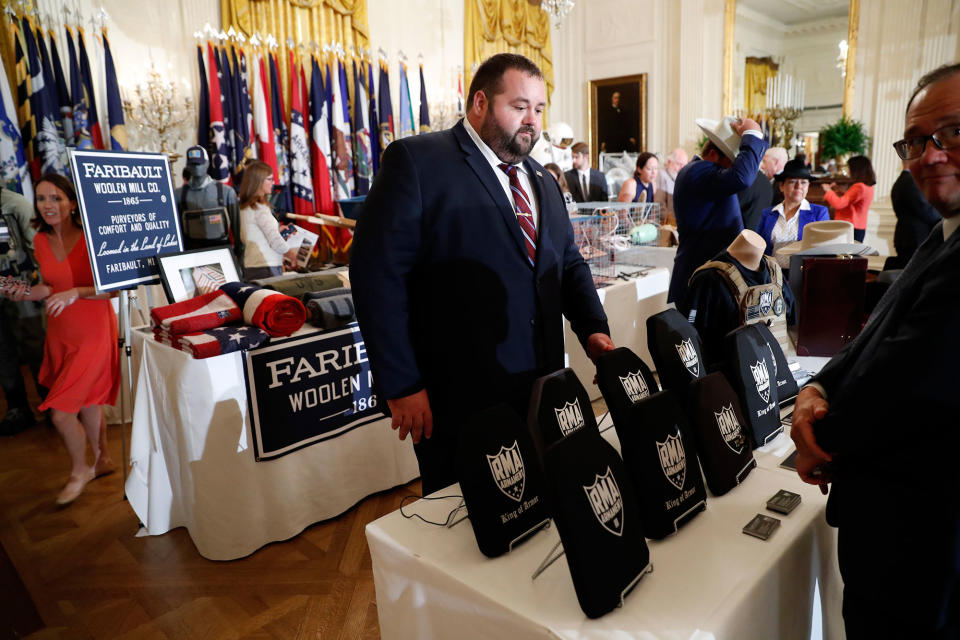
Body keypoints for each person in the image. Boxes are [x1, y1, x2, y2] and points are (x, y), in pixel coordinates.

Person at [350, 53, 614, 494]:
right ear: (479, 103)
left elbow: (566, 262)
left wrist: (593, 329)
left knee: (541, 503)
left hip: (540, 384)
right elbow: (377, 275)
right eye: (519, 106)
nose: (531, 120)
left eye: (539, 109)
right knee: (467, 530)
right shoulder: (417, 162)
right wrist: (401, 383)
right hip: (456, 396)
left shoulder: (543, 181)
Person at [791, 63, 960, 636]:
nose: (930, 155)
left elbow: (909, 384)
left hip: (923, 540)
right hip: (894, 533)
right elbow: (875, 333)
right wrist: (818, 386)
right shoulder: (943, 236)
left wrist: (817, 443)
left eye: (953, 132)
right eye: (915, 141)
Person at [1, 174, 119, 505]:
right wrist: (18, 291)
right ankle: (101, 460)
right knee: (88, 401)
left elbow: (115, 288)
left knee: (61, 413)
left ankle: (80, 470)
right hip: (61, 331)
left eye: (55, 198)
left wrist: (76, 293)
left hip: (94, 330)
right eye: (41, 198)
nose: (48, 205)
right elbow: (49, 288)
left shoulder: (93, 235)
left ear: (71, 201)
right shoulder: (39, 240)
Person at [668, 116, 767, 306]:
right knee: (694, 337)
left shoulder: (701, 174)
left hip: (711, 278)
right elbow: (742, 178)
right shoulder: (696, 171)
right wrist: (752, 133)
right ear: (713, 154)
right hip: (700, 278)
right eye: (731, 163)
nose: (731, 171)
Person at [682, 229, 794, 368]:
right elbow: (689, 339)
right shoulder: (708, 278)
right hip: (730, 382)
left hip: (772, 377)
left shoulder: (775, 272)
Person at [0, 187, 45, 435]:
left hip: (21, 286)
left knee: (34, 344)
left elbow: (37, 246)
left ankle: (49, 402)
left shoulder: (14, 203)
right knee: (2, 350)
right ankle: (17, 407)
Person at [755, 157, 830, 266]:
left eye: (804, 182)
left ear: (808, 186)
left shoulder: (819, 213)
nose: (798, 186)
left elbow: (822, 250)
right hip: (771, 275)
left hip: (804, 274)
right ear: (781, 186)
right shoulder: (767, 214)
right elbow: (758, 248)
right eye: (792, 182)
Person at [237, 160, 298, 280]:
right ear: (258, 182)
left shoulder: (246, 206)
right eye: (269, 179)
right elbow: (275, 240)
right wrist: (292, 255)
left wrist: (277, 229)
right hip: (265, 268)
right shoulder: (260, 208)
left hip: (252, 266)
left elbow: (245, 237)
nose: (273, 183)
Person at [889, 168, 939, 268]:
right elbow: (925, 210)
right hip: (914, 237)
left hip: (908, 237)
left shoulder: (902, 179)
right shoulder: (910, 180)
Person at [823, 155, 875, 242]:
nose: (849, 171)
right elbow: (852, 201)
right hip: (858, 227)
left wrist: (828, 190)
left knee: (844, 254)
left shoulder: (859, 187)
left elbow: (838, 204)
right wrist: (839, 191)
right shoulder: (868, 187)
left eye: (850, 168)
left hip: (850, 227)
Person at [655, 148, 688, 223]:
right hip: (668, 223)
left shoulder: (680, 177)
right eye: (679, 164)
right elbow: (660, 205)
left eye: (684, 165)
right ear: (669, 162)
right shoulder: (662, 175)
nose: (682, 168)